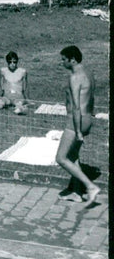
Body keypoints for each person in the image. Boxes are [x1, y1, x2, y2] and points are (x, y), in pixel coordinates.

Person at [55, 46, 100, 204]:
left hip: (76, 121)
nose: (62, 62)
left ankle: (90, 186)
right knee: (73, 157)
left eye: (63, 59)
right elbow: (90, 98)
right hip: (87, 118)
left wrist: (78, 131)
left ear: (72, 59)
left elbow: (75, 106)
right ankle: (76, 192)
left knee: (61, 158)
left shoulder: (75, 77)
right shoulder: (89, 73)